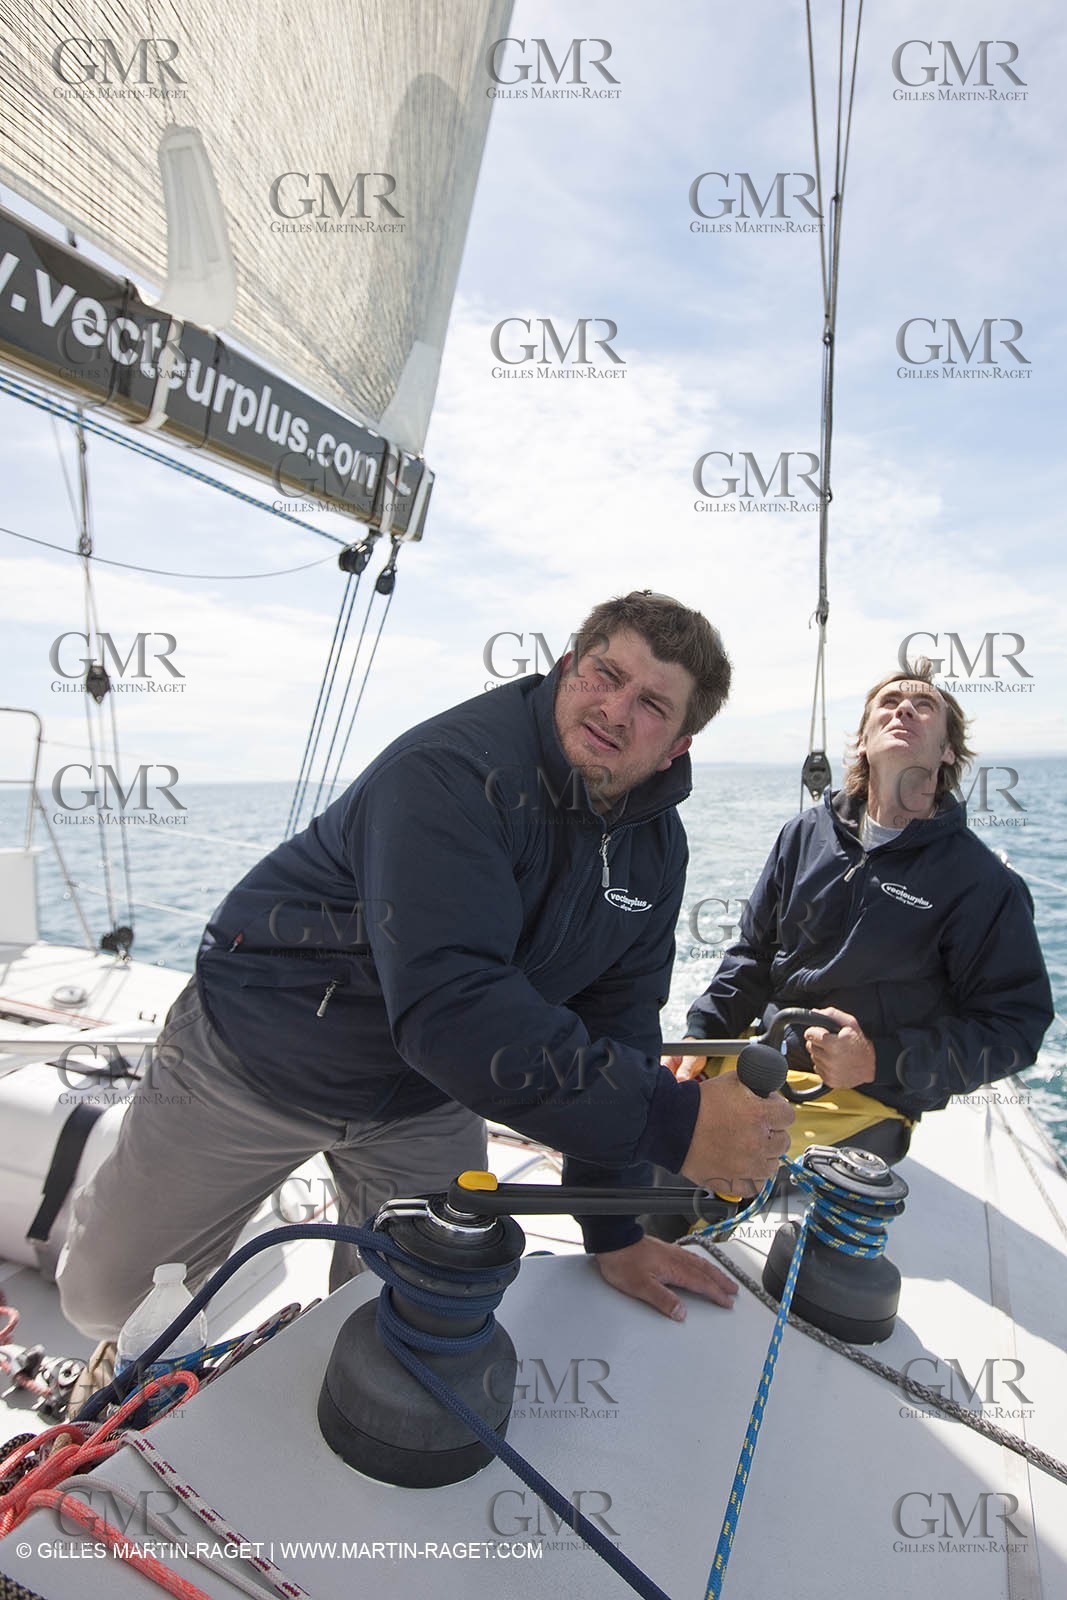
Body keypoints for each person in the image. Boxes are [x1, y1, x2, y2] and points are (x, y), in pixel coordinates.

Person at [58, 592, 794, 1339]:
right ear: (569, 666)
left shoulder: (654, 846)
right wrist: (675, 1123)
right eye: (605, 675)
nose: (614, 709)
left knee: (410, 1306)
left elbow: (620, 1019)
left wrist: (614, 1233)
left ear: (675, 747)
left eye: (651, 706)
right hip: (260, 1052)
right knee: (103, 1305)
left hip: (424, 1096)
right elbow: (452, 1009)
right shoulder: (451, 770)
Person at [663, 662, 1053, 1186]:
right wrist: (702, 1034)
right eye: (889, 703)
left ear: (946, 752)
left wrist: (878, 1060)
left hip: (866, 1097)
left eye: (924, 706)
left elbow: (1016, 1028)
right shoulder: (804, 835)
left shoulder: (980, 883)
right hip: (762, 1057)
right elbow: (753, 954)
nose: (905, 708)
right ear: (864, 742)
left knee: (689, 1168)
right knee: (631, 1129)